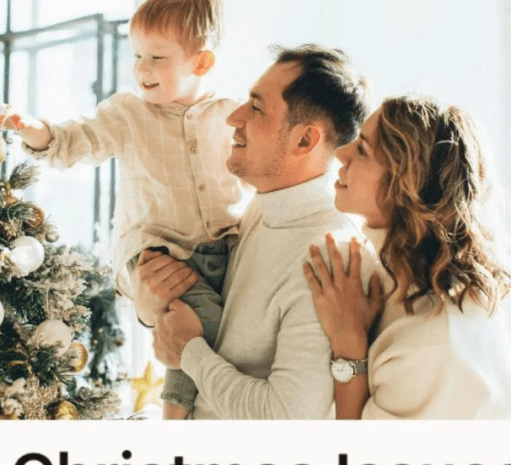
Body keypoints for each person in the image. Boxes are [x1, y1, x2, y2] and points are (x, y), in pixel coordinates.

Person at [0, 0, 239, 419]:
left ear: (201, 63)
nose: (142, 69)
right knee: (199, 323)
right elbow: (78, 140)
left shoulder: (231, 115)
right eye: (138, 56)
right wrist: (36, 132)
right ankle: (175, 414)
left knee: (208, 329)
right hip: (153, 251)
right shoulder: (129, 113)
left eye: (157, 58)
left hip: (219, 251)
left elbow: (259, 178)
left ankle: (190, 411)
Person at [148, 44, 370, 419]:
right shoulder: (261, 207)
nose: (233, 118)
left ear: (305, 140)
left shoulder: (331, 257)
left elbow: (283, 418)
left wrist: (189, 351)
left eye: (256, 108)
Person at [303, 95, 511, 420]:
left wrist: (348, 344)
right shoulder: (388, 274)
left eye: (363, 148)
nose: (341, 152)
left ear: (405, 184)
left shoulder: (431, 340)